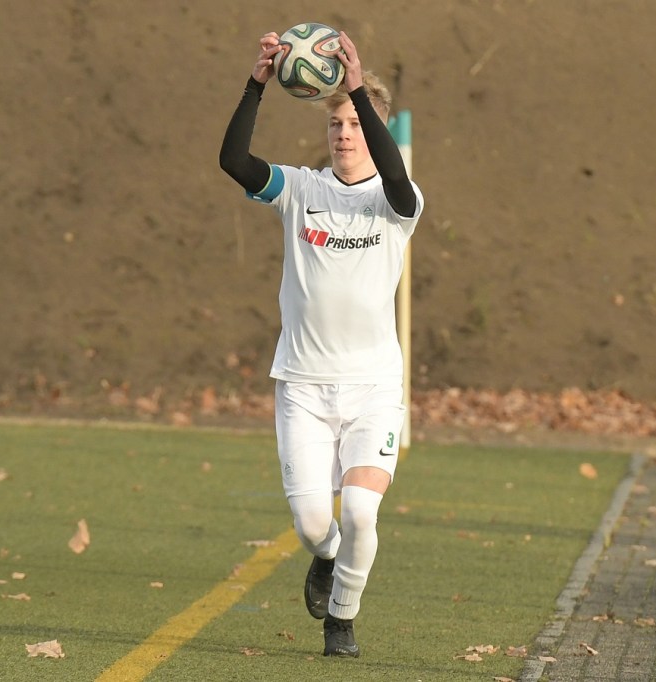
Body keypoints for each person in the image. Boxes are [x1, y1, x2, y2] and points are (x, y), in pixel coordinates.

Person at [219, 29, 424, 658]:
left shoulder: (398, 202)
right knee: (314, 526)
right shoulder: (300, 190)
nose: (343, 134)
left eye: (355, 124)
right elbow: (233, 161)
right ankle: (327, 557)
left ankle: (342, 619)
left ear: (374, 129)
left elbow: (395, 175)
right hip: (303, 386)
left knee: (360, 510)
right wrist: (256, 82)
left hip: (372, 388)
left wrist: (358, 89)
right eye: (335, 124)